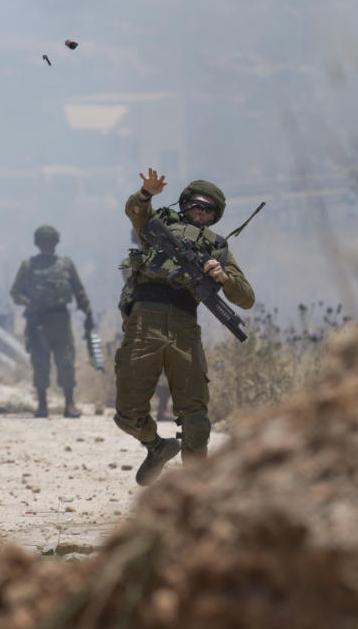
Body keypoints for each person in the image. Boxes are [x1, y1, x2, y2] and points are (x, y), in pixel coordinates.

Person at [116, 169, 255, 485]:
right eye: (195, 205)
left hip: (184, 329)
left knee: (195, 418)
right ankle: (157, 447)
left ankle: (196, 488)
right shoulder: (159, 226)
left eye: (208, 210)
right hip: (143, 324)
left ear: (214, 216)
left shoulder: (217, 248)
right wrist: (145, 193)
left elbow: (245, 298)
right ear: (184, 204)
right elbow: (136, 212)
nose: (200, 213)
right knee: (127, 414)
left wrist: (221, 276)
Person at [10, 225, 93, 418]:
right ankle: (42, 405)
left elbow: (78, 291)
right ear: (38, 244)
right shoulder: (28, 266)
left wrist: (88, 311)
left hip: (61, 320)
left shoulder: (65, 264)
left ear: (56, 243)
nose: (47, 246)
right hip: (38, 322)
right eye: (43, 242)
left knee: (66, 363)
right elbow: (15, 292)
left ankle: (69, 404)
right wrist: (27, 302)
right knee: (40, 364)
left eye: (50, 242)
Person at [121, 230, 172, 422]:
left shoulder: (168, 259)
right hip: (142, 317)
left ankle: (162, 408)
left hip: (166, 316)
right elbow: (133, 280)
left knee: (167, 363)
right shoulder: (131, 261)